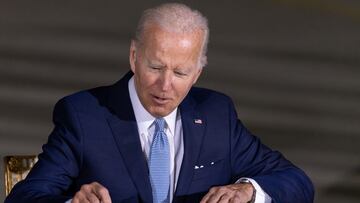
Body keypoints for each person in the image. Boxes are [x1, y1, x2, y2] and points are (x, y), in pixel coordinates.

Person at [5, 3, 314, 203]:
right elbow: (25, 197)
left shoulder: (216, 114)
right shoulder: (84, 116)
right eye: (155, 67)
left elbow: (297, 182)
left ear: (197, 73)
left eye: (180, 72)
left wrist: (247, 190)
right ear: (134, 57)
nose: (165, 86)